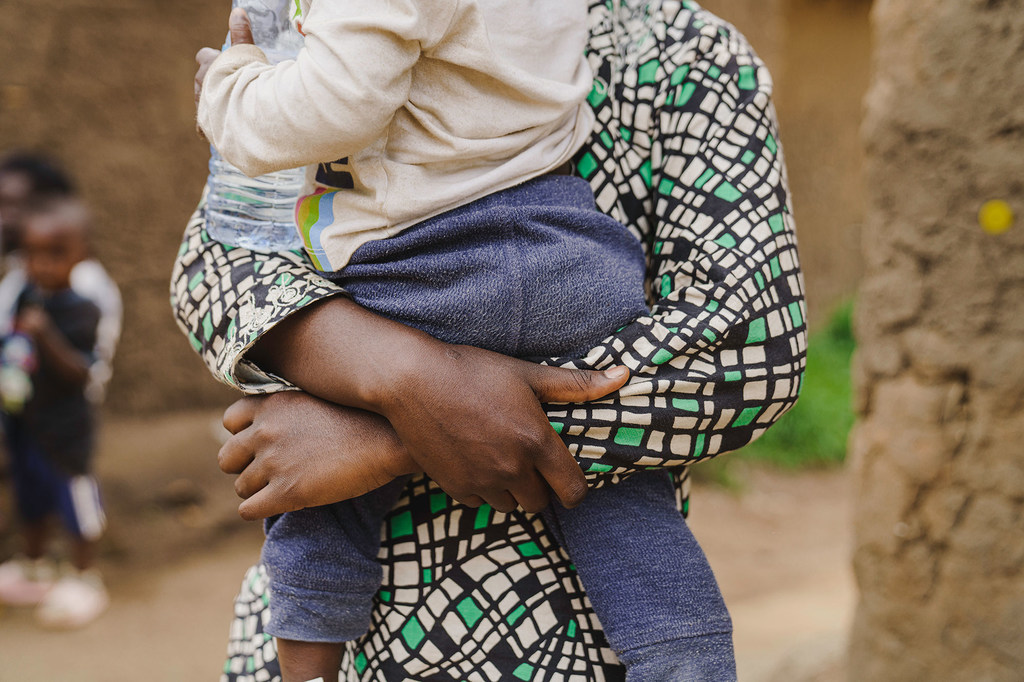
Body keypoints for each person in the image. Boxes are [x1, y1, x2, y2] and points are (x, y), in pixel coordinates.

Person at [174, 0, 806, 678]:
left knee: (316, 532)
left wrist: (386, 428)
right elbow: (215, 267)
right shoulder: (302, 15)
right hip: (360, 641)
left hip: (558, 642)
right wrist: (399, 375)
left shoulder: (685, 55)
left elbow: (747, 350)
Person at [0, 195, 109, 628]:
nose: (42, 265)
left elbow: (83, 373)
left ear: (82, 256)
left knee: (76, 505)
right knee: (31, 499)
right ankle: (35, 565)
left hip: (67, 436)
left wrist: (45, 336)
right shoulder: (25, 294)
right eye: (32, 254)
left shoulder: (83, 308)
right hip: (28, 427)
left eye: (55, 254)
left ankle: (85, 577)